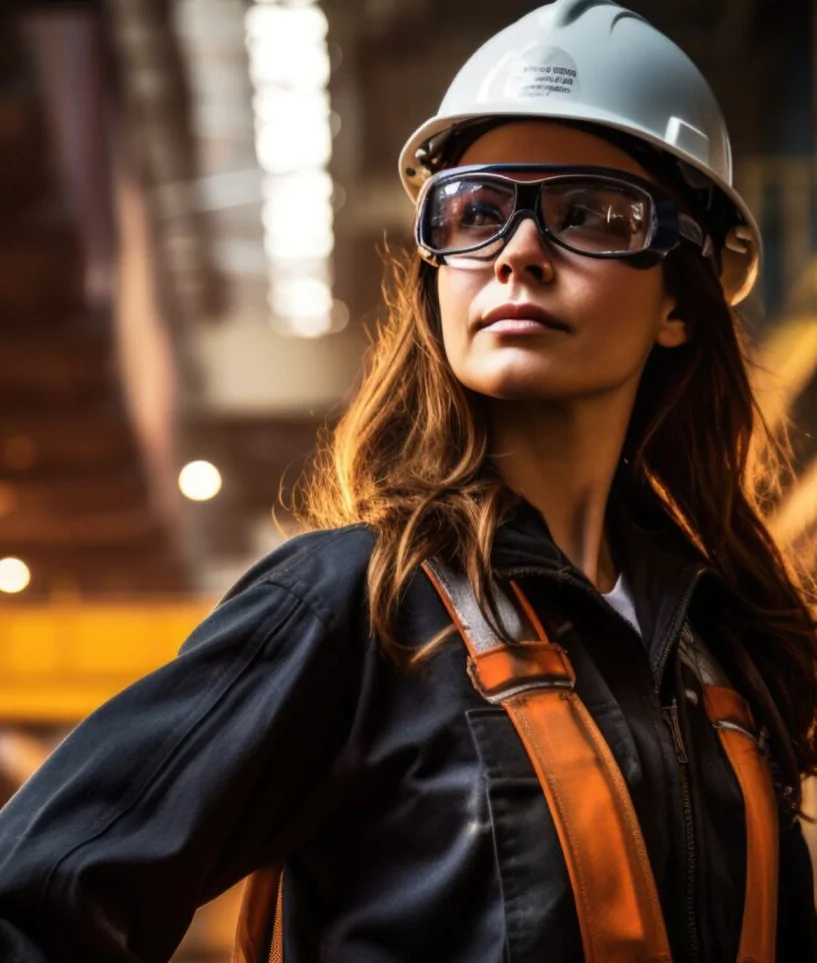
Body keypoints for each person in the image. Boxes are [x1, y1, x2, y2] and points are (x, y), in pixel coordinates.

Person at [1, 0, 816, 960]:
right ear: (436, 268)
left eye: (590, 214)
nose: (516, 250)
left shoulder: (724, 655)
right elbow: (33, 903)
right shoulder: (354, 610)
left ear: (681, 297)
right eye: (475, 211)